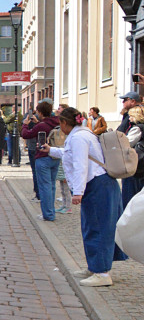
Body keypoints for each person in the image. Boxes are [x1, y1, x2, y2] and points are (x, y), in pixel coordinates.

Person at [42, 107, 127, 286]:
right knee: (91, 226)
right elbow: (70, 155)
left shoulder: (80, 137)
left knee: (98, 227)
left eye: (60, 123)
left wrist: (78, 192)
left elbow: (81, 165)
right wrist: (51, 150)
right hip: (98, 185)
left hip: (97, 185)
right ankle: (94, 266)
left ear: (65, 123)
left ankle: (102, 273)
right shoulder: (82, 134)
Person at [21, 101, 61, 221]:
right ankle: (51, 211)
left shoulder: (41, 125)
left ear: (40, 112)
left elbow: (26, 134)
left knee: (45, 187)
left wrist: (25, 124)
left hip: (43, 157)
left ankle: (48, 214)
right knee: (52, 185)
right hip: (55, 155)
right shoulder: (56, 122)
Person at [117, 92, 144, 208]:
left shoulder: (137, 127)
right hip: (139, 166)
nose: (123, 102)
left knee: (130, 198)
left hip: (136, 165)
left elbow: (125, 141)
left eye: (125, 100)